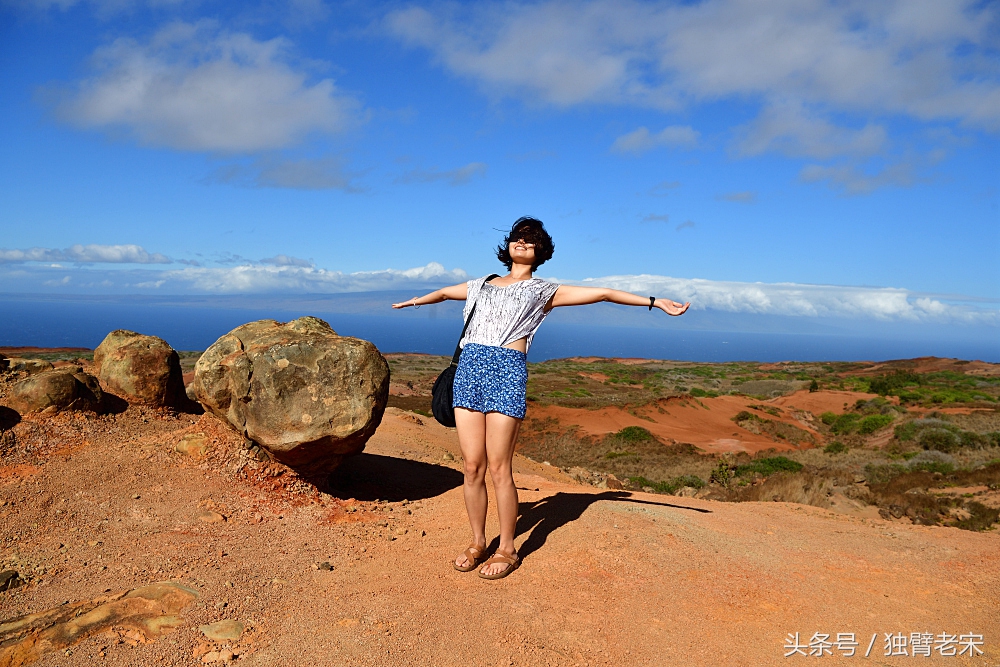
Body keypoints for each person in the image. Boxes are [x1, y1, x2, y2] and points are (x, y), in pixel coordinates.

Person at [392, 216, 690, 579]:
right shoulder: (481, 284)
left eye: (530, 240)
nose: (522, 242)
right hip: (470, 370)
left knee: (500, 468)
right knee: (472, 466)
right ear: (509, 246)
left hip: (507, 371)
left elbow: (605, 293)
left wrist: (656, 302)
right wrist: (414, 302)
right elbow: (443, 293)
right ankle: (476, 542)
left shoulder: (545, 290)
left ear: (540, 251)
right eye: (518, 237)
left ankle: (507, 549)